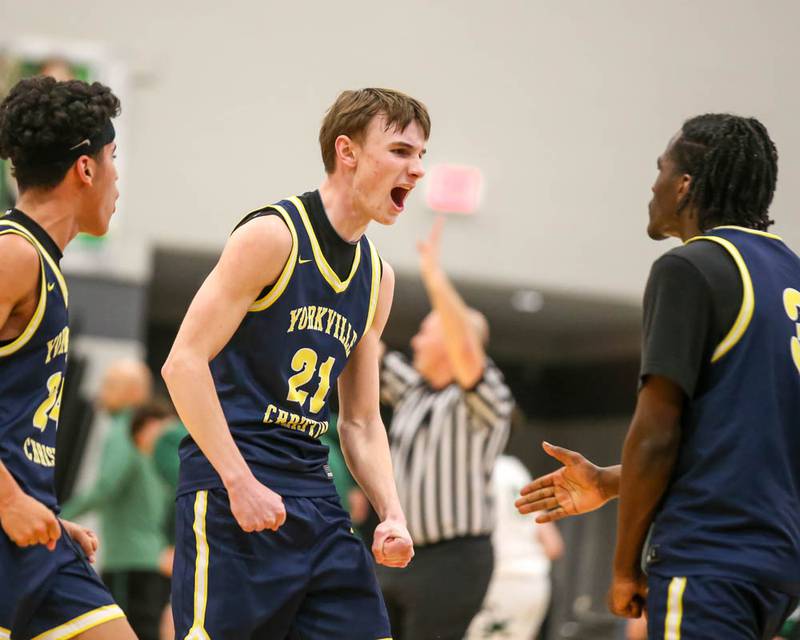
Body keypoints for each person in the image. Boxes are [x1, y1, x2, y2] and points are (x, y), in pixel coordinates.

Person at [516, 114, 800, 638]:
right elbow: (747, 449)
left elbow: (657, 432)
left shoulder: (691, 268)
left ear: (686, 185)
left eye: (661, 169)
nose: (653, 184)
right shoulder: (790, 274)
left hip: (708, 556)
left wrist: (624, 567)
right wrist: (606, 482)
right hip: (778, 565)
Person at [161, 88, 429, 639]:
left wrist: (392, 512)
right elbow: (182, 363)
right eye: (401, 151)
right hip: (232, 490)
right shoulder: (272, 235)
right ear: (347, 151)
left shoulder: (378, 279)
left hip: (315, 496)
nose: (418, 169)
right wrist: (239, 482)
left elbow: (359, 420)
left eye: (422, 155)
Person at [0, 76, 136, 639]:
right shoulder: (13, 253)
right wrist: (9, 500)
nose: (116, 176)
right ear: (85, 169)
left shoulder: (43, 263)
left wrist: (38, 510)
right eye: (112, 157)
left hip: (34, 537)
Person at [376, 218, 514, 640]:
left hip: (455, 559)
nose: (415, 341)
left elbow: (468, 350)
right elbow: (369, 349)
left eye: (425, 331)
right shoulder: (416, 392)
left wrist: (435, 278)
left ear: (452, 344)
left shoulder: (483, 398)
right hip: (403, 553)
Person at [62, 397, 173, 640]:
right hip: (127, 564)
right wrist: (58, 518)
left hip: (153, 564)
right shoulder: (132, 458)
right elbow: (104, 489)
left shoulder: (158, 466)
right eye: (163, 429)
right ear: (149, 427)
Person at [466, 454, 563, 640]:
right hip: (534, 582)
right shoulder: (514, 467)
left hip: (497, 578)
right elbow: (554, 545)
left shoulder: (472, 467)